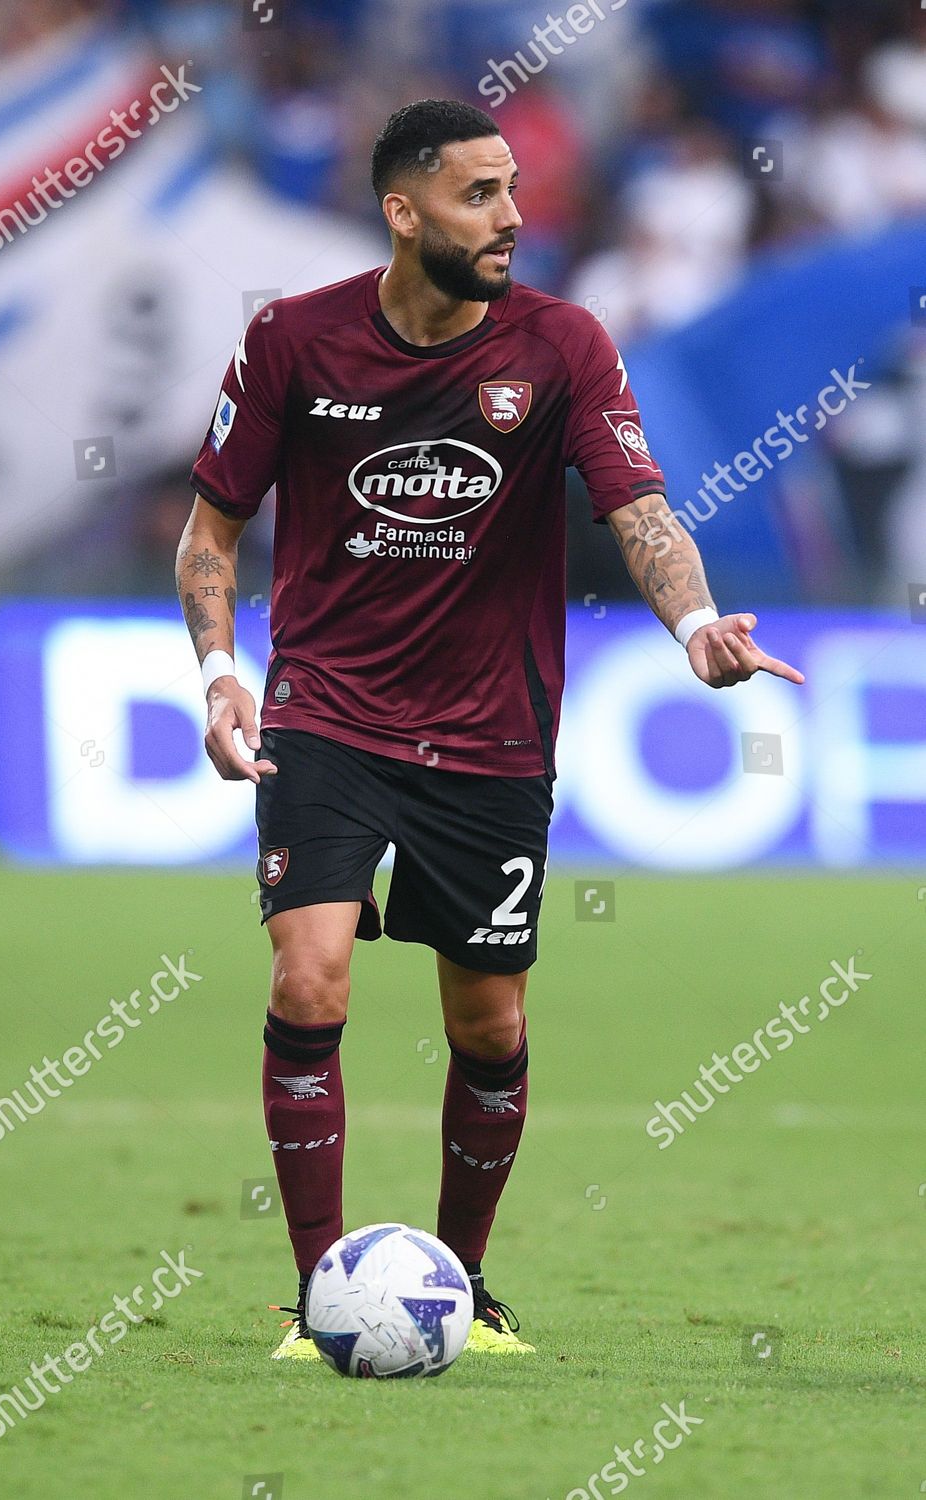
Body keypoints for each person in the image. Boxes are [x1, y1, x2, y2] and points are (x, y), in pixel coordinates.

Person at [177, 98, 804, 1361]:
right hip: (328, 716)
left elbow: (639, 509)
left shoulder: (563, 343)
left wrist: (692, 629)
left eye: (513, 189)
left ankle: (463, 1282)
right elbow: (209, 536)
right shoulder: (294, 342)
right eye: (479, 195)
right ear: (403, 212)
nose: (512, 216)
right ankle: (319, 1296)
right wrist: (218, 675)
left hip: (491, 735)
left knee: (490, 1029)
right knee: (309, 976)